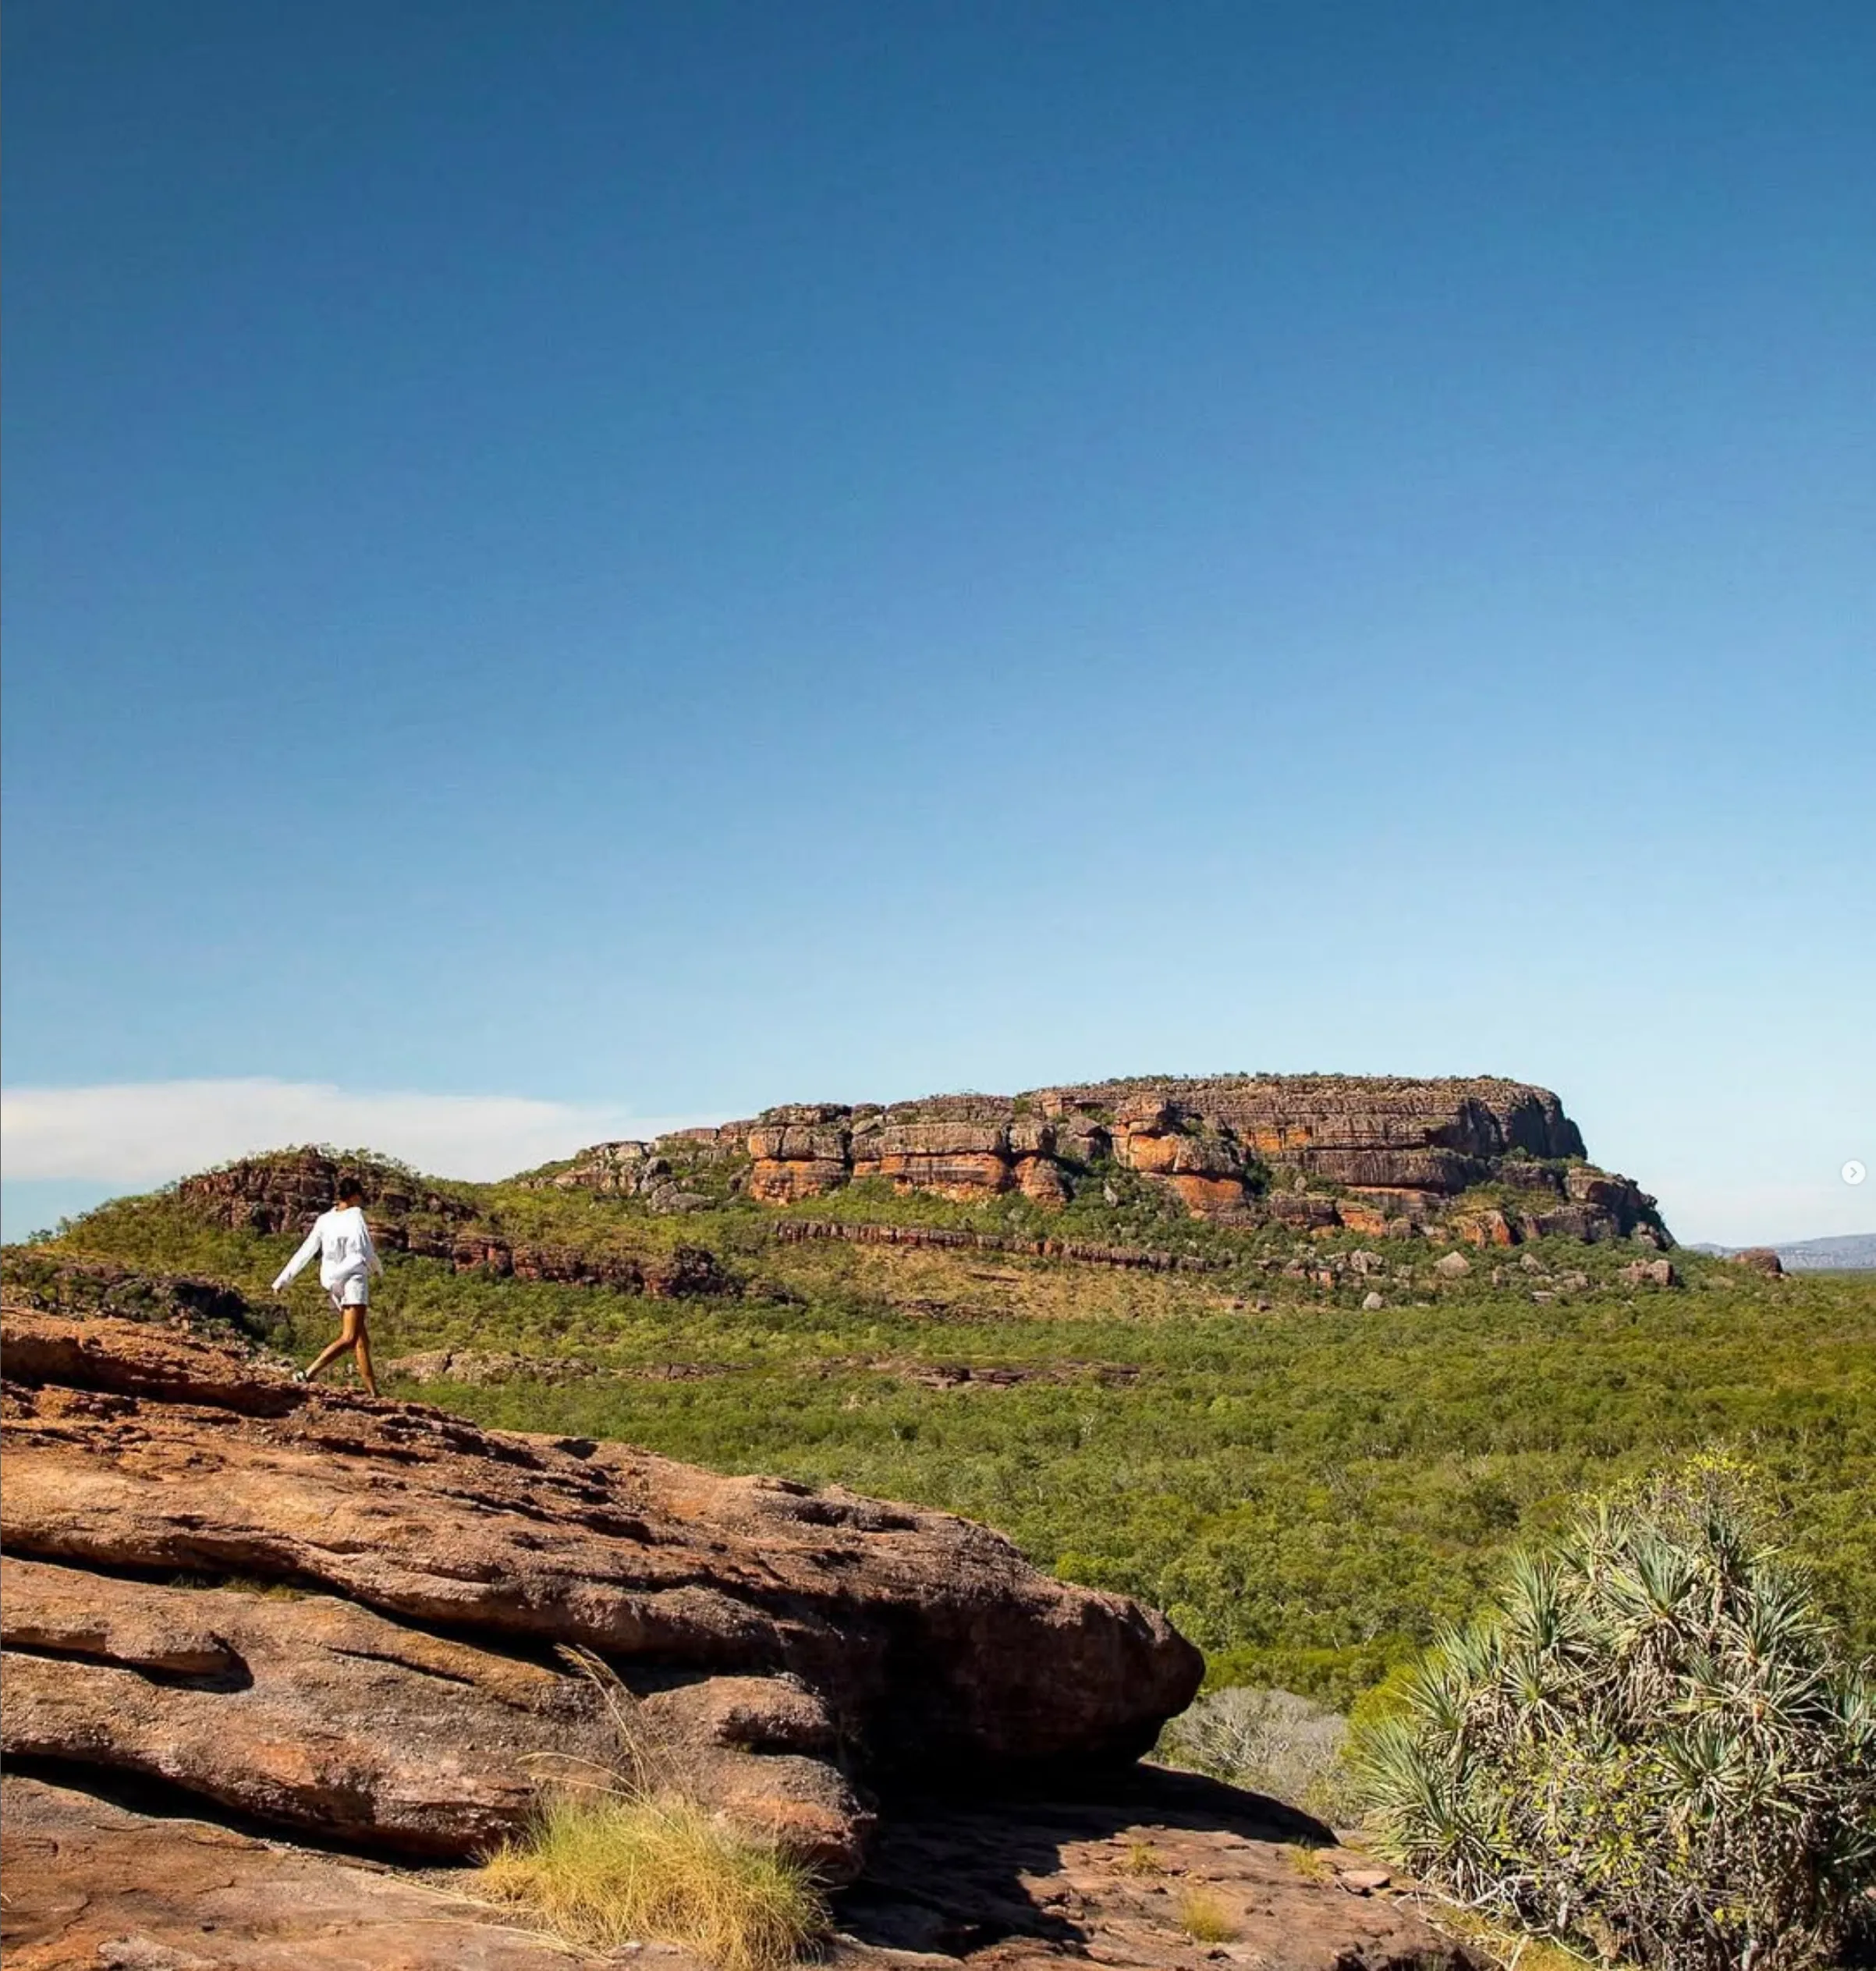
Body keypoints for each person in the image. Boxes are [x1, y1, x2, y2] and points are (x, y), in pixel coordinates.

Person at [272, 1175, 384, 1395]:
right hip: (353, 1280)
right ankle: (308, 1373)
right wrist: (378, 1270)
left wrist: (283, 1279)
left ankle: (373, 1393)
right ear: (354, 1196)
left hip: (333, 1283)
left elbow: (306, 1250)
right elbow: (365, 1249)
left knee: (362, 1340)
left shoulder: (324, 1220)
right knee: (350, 1338)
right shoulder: (355, 1215)